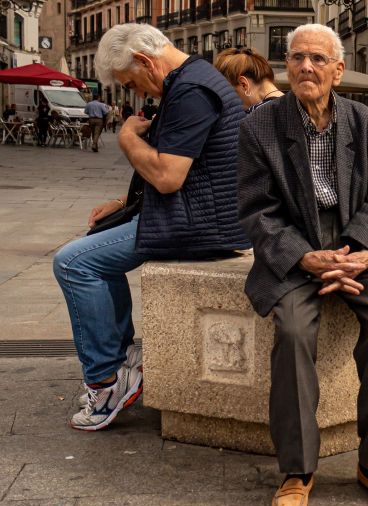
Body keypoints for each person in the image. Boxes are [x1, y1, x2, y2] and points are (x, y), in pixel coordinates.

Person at [237, 24, 368, 506]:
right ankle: (297, 471)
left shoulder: (366, 123)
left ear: (338, 70)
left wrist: (360, 251)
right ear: (285, 67)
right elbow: (256, 209)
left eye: (317, 58)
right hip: (293, 238)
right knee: (293, 330)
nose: (306, 67)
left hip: (356, 237)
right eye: (296, 57)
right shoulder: (259, 127)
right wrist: (303, 257)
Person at [53, 23, 249, 431]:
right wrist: (123, 203)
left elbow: (167, 176)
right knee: (95, 246)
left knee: (73, 263)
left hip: (199, 224)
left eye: (131, 82)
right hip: (196, 214)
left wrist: (127, 137)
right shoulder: (192, 80)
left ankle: (106, 382)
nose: (137, 93)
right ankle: (123, 361)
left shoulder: (191, 91)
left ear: (145, 61)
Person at [214, 47, 284, 113]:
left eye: (231, 94)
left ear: (244, 84)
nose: (230, 101)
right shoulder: (288, 104)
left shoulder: (258, 116)